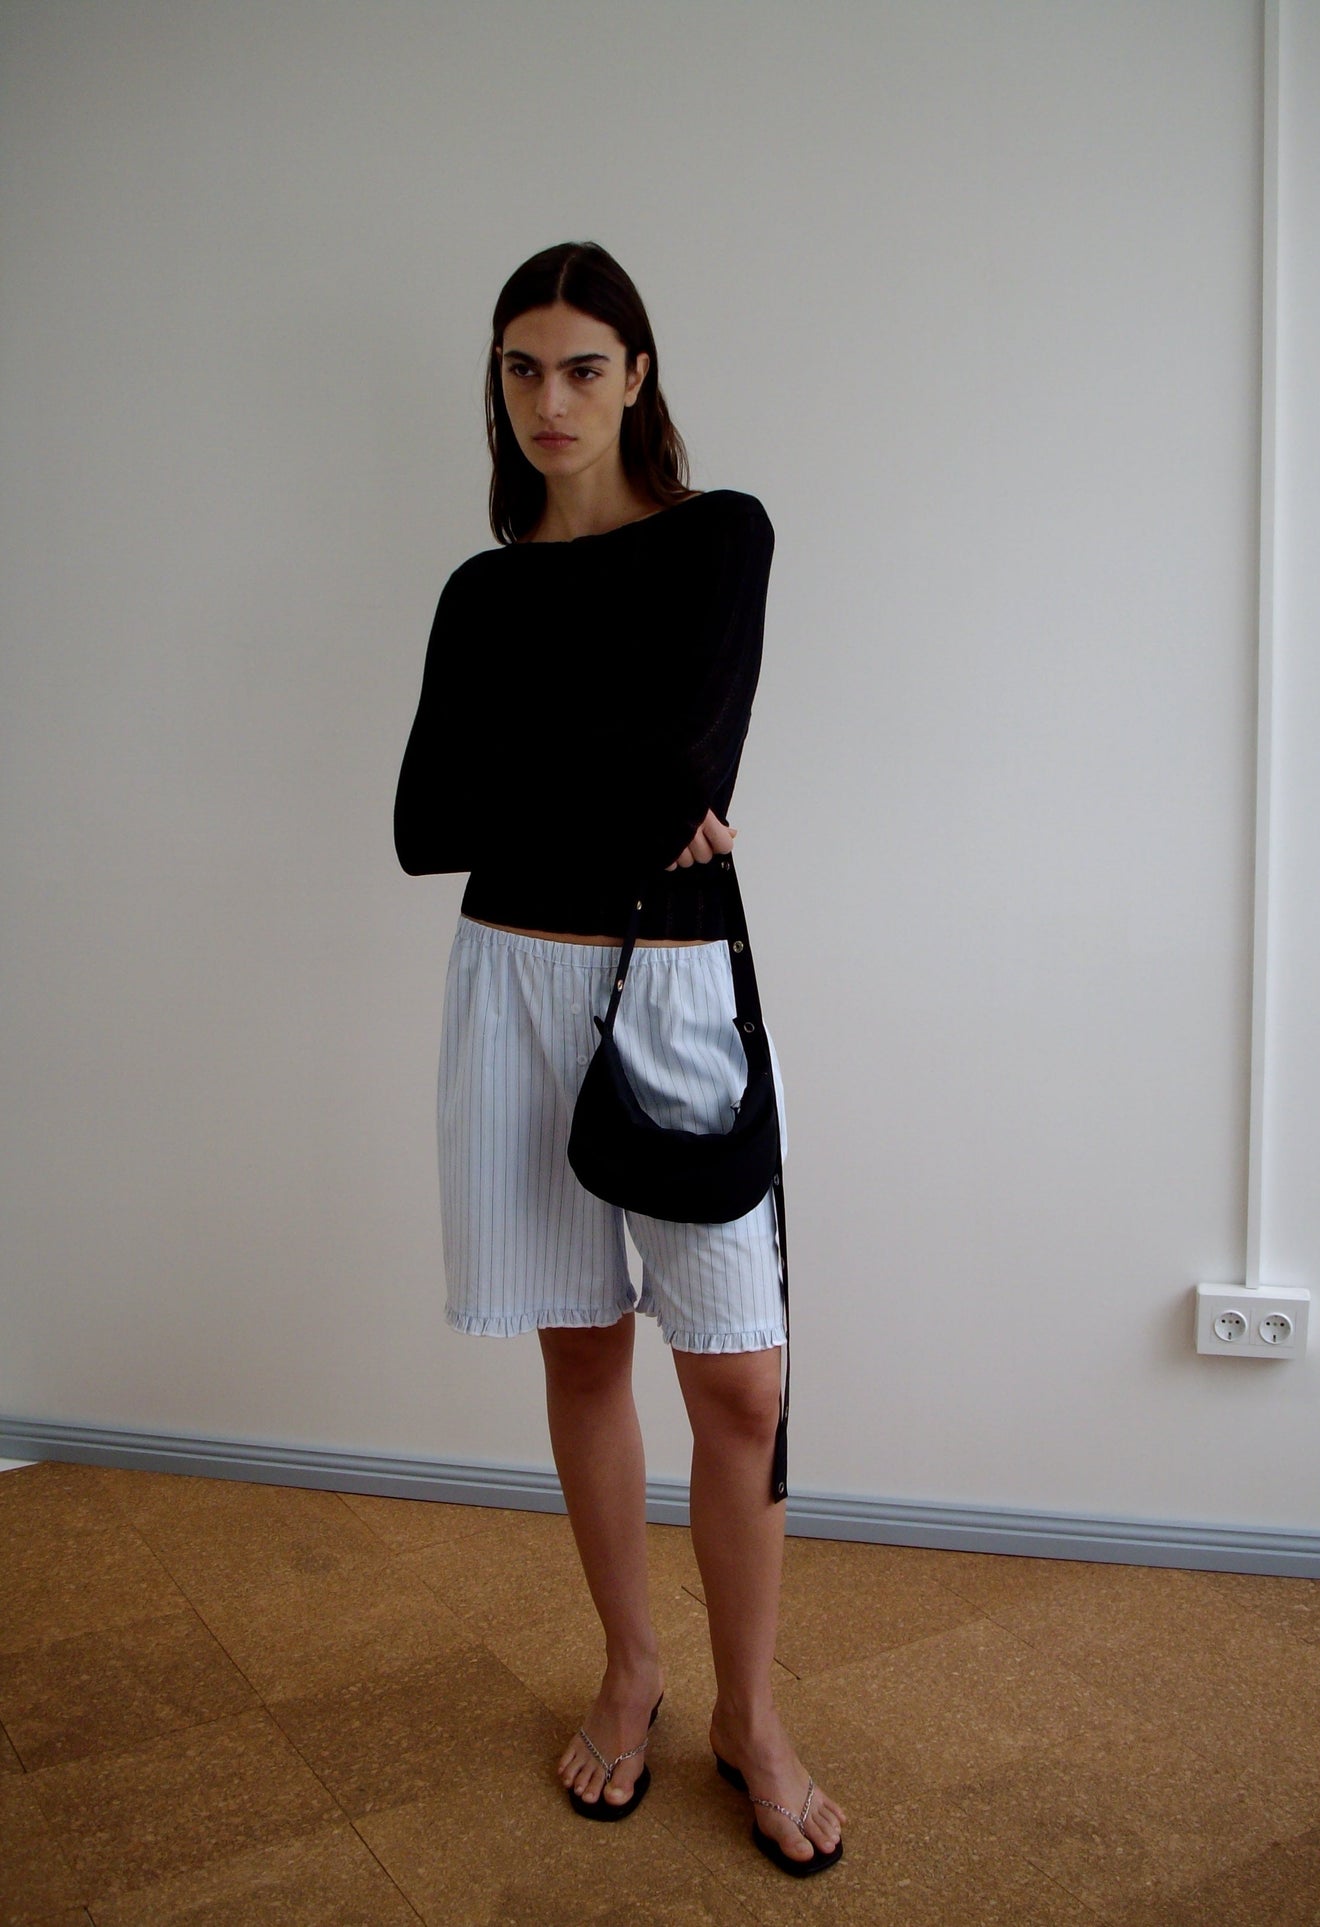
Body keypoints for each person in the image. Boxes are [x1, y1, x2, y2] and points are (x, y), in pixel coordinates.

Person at [393, 242, 844, 1876]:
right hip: (511, 986)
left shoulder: (722, 540)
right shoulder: (480, 588)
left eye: (583, 366)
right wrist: (626, 774)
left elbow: (685, 770)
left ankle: (752, 1710)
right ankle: (633, 1672)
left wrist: (572, 768)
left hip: (672, 989)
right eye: (521, 370)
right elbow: (417, 829)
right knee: (580, 1356)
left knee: (740, 1378)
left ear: (636, 375)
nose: (550, 400)